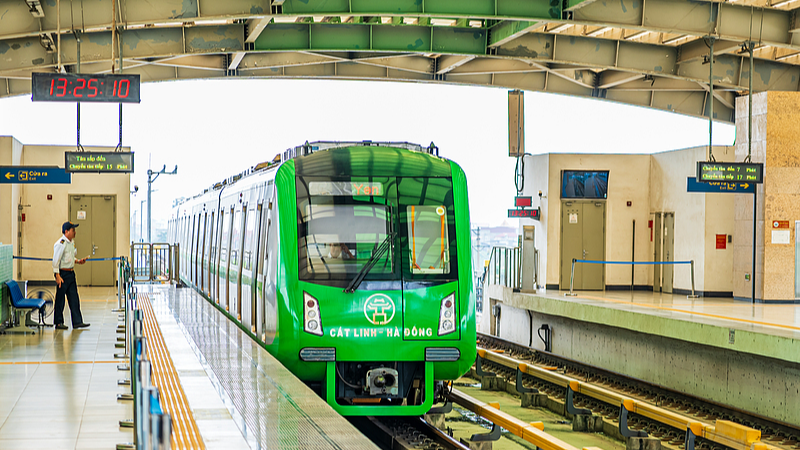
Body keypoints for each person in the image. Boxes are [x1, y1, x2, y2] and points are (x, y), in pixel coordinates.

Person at [52, 221, 90, 330]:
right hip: (62, 274)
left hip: (71, 273)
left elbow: (69, 258)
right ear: (66, 231)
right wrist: (57, 276)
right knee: (60, 299)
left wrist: (78, 261)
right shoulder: (61, 243)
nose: (75, 232)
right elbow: (56, 260)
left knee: (74, 298)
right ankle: (58, 322)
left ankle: (77, 321)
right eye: (73, 230)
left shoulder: (71, 243)